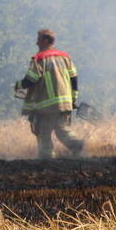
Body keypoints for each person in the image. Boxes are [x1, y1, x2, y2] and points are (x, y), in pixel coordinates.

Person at [16, 29, 85, 159]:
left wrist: (18, 85)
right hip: (65, 102)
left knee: (43, 132)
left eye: (39, 39)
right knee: (61, 128)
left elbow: (30, 80)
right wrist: (73, 97)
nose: (36, 43)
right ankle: (76, 144)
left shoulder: (39, 58)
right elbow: (74, 78)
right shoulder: (65, 57)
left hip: (47, 105)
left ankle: (46, 159)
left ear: (46, 40)